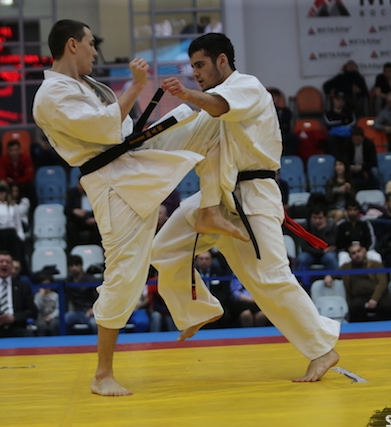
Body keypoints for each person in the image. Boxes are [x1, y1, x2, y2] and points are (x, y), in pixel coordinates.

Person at [32, 20, 240, 396]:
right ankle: (102, 375)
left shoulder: (86, 84)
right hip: (112, 182)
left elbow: (122, 127)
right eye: (91, 44)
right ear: (72, 45)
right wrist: (136, 86)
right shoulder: (51, 94)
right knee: (125, 273)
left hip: (133, 157)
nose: (95, 51)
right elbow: (102, 128)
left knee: (208, 122)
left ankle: (210, 209)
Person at [153, 33, 340, 388]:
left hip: (253, 194)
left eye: (200, 65)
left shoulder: (247, 88)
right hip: (218, 196)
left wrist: (187, 94)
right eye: (192, 67)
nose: (196, 73)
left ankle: (322, 349)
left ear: (222, 60)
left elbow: (219, 106)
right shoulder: (210, 108)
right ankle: (199, 309)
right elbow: (185, 135)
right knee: (164, 247)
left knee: (270, 278)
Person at [324, 242, 391, 322]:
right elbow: (334, 273)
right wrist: (329, 276)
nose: (357, 254)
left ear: (363, 251)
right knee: (354, 307)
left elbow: (382, 283)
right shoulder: (346, 267)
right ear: (350, 256)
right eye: (353, 253)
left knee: (387, 306)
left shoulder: (375, 265)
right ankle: (363, 329)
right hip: (359, 297)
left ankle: (383, 328)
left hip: (377, 295)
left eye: (359, 251)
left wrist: (374, 299)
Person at [296, 204, 339, 272]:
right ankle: (297, 278)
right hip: (311, 254)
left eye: (320, 218)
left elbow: (331, 244)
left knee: (331, 258)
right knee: (301, 258)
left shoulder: (332, 226)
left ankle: (334, 277)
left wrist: (321, 230)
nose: (317, 221)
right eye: (314, 218)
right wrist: (322, 251)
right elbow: (304, 247)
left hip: (327, 254)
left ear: (326, 218)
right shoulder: (305, 226)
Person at [64, 255, 98, 334]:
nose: (74, 268)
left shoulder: (91, 279)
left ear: (81, 266)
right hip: (77, 312)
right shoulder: (67, 281)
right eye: (71, 266)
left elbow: (98, 297)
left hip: (91, 312)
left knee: (94, 324)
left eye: (76, 265)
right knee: (64, 320)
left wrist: (94, 309)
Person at [65, 177, 100, 248]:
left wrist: (96, 219)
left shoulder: (97, 193)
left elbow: (103, 210)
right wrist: (74, 211)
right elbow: (66, 210)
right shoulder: (72, 193)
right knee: (70, 226)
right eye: (78, 184)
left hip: (93, 219)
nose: (79, 187)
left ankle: (95, 248)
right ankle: (77, 248)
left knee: (99, 228)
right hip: (78, 220)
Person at [323, 92, 356, 159]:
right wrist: (342, 122)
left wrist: (341, 124)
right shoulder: (328, 113)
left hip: (347, 134)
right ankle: (335, 160)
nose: (340, 102)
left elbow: (353, 122)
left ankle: (347, 161)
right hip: (334, 135)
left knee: (350, 141)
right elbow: (328, 123)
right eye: (338, 100)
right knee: (330, 140)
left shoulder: (349, 112)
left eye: (342, 100)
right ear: (334, 100)